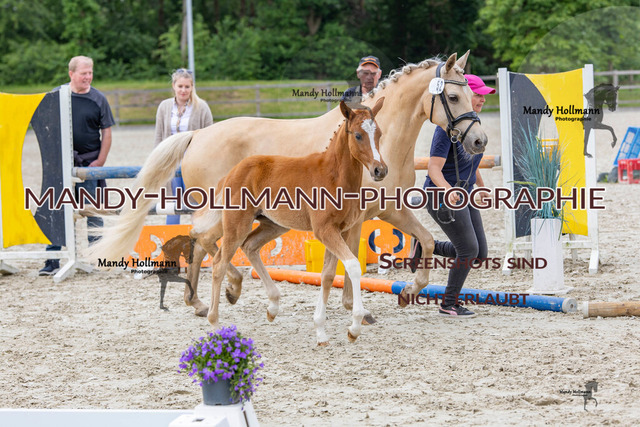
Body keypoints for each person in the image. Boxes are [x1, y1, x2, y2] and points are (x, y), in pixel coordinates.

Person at [419, 74, 496, 318]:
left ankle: (425, 246)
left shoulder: (473, 124)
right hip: (441, 193)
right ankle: (449, 303)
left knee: (479, 254)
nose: (482, 99)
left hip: (466, 193)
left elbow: (472, 163)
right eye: (478, 94)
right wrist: (448, 190)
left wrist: (481, 187)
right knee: (468, 250)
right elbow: (433, 169)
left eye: (484, 95)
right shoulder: (446, 129)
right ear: (464, 96)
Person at [39, 56, 115, 276]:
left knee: (92, 210)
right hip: (60, 163)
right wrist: (52, 159)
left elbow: (107, 132)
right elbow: (45, 127)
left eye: (90, 72)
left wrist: (100, 161)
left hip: (89, 163)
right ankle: (52, 260)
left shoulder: (98, 98)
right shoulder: (57, 96)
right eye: (84, 73)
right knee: (56, 209)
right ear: (71, 74)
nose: (88, 77)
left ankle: (97, 258)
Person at [154, 68, 213, 224]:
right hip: (172, 162)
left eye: (187, 86)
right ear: (173, 86)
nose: (183, 90)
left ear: (192, 87)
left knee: (196, 205)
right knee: (172, 204)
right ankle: (170, 237)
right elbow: (159, 136)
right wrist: (158, 161)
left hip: (194, 164)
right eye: (180, 86)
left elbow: (211, 137)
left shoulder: (202, 107)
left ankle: (198, 238)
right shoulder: (164, 107)